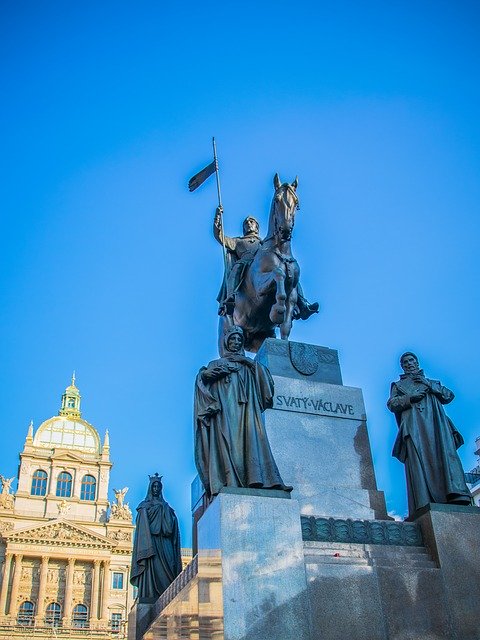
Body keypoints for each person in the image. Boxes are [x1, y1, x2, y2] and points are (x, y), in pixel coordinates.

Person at [194, 325, 292, 498]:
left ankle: (257, 479)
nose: (236, 342)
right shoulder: (216, 364)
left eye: (239, 340)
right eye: (233, 339)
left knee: (252, 442)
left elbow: (267, 386)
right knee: (228, 444)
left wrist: (249, 363)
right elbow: (203, 382)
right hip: (225, 413)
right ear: (226, 342)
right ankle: (230, 480)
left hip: (247, 412)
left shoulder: (249, 366)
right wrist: (207, 375)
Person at [387, 352, 471, 518]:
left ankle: (454, 495)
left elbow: (448, 396)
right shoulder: (398, 385)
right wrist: (410, 397)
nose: (409, 363)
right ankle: (424, 501)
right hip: (414, 428)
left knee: (445, 458)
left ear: (417, 362)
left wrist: (428, 384)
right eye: (405, 362)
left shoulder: (432, 383)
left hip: (437, 427)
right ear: (402, 366)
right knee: (419, 461)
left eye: (412, 360)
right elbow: (392, 404)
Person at [214, 206, 318, 319]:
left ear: (256, 226)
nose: (249, 223)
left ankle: (302, 304)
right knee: (236, 269)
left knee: (289, 272)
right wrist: (217, 218)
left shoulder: (264, 242)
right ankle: (230, 298)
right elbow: (220, 237)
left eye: (252, 222)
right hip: (245, 263)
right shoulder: (238, 241)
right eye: (246, 223)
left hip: (263, 266)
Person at [130, 475, 182, 600]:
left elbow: (172, 525)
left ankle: (169, 595)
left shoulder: (166, 506)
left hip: (165, 542)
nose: (156, 488)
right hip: (151, 542)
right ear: (150, 488)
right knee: (151, 568)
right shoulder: (144, 506)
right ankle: (150, 593)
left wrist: (171, 516)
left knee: (170, 564)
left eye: (158, 486)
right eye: (154, 486)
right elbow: (142, 525)